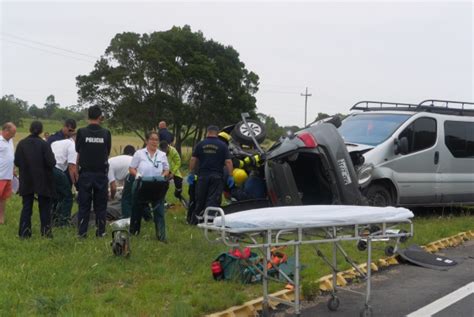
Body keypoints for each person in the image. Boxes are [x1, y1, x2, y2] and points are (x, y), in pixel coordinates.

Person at [15, 121, 56, 238]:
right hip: (43, 179)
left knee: (27, 206)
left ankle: (24, 233)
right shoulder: (44, 145)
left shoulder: (22, 144)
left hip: (27, 179)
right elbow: (51, 162)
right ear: (41, 131)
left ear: (30, 129)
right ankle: (46, 233)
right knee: (44, 207)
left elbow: (17, 161)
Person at [75, 106, 112, 238]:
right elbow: (107, 152)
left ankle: (82, 233)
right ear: (99, 117)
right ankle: (101, 232)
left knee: (84, 204)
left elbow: (78, 151)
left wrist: (76, 172)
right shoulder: (106, 133)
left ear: (88, 116)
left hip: (85, 173)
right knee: (101, 206)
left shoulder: (81, 132)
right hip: (101, 174)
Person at [188, 125, 233, 225]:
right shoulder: (223, 146)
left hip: (202, 176)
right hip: (217, 177)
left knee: (200, 198)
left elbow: (193, 159)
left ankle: (196, 221)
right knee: (213, 199)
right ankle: (209, 222)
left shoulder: (200, 144)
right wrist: (230, 176)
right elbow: (228, 162)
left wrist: (191, 173)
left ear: (208, 132)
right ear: (217, 133)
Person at [129, 131, 169, 241]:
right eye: (152, 139)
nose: (154, 142)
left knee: (159, 210)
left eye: (156, 140)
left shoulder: (162, 155)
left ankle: (161, 236)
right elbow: (132, 167)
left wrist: (163, 176)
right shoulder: (139, 153)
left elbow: (166, 169)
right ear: (147, 140)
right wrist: (137, 174)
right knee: (136, 209)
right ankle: (134, 233)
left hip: (157, 185)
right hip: (141, 183)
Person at [50, 134, 78, 227]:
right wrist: (75, 184)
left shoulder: (56, 142)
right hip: (57, 169)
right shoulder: (73, 146)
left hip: (46, 170)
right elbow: (71, 168)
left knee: (56, 196)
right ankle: (64, 222)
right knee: (68, 196)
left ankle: (52, 218)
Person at [108, 145, 135, 218]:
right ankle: (147, 217)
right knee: (137, 196)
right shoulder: (111, 162)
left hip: (133, 171)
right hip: (135, 169)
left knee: (125, 198)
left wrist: (112, 197)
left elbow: (113, 187)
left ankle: (127, 218)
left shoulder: (108, 167)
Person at [0, 122, 17, 224]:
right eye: (12, 133)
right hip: (0, 175)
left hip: (8, 175)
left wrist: (13, 169)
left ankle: (1, 219)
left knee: (3, 199)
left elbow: (11, 156)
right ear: (6, 131)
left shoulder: (10, 141)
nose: (14, 135)